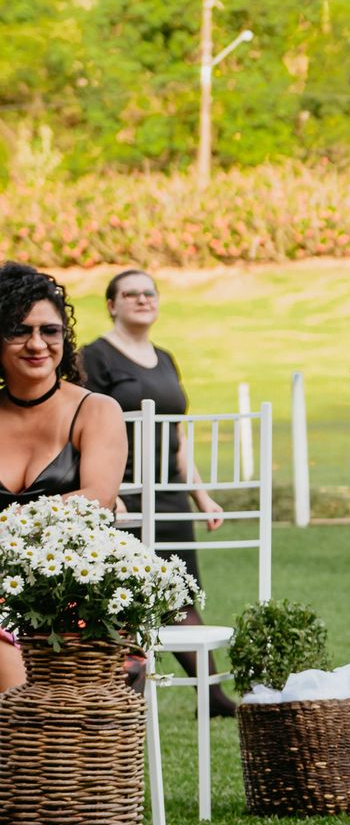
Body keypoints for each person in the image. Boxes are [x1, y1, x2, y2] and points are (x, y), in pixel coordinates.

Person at [80, 269, 235, 715]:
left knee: (180, 593)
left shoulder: (165, 358)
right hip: (125, 493)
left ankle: (212, 696)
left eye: (149, 293)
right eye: (131, 294)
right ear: (112, 304)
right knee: (128, 598)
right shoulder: (96, 357)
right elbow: (88, 426)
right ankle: (126, 697)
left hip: (170, 497)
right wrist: (108, 491)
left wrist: (201, 497)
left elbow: (179, 438)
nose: (142, 299)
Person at [0, 261, 128, 690]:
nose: (37, 343)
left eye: (49, 330)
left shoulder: (95, 411)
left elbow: (97, 499)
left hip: (66, 588)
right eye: (19, 330)